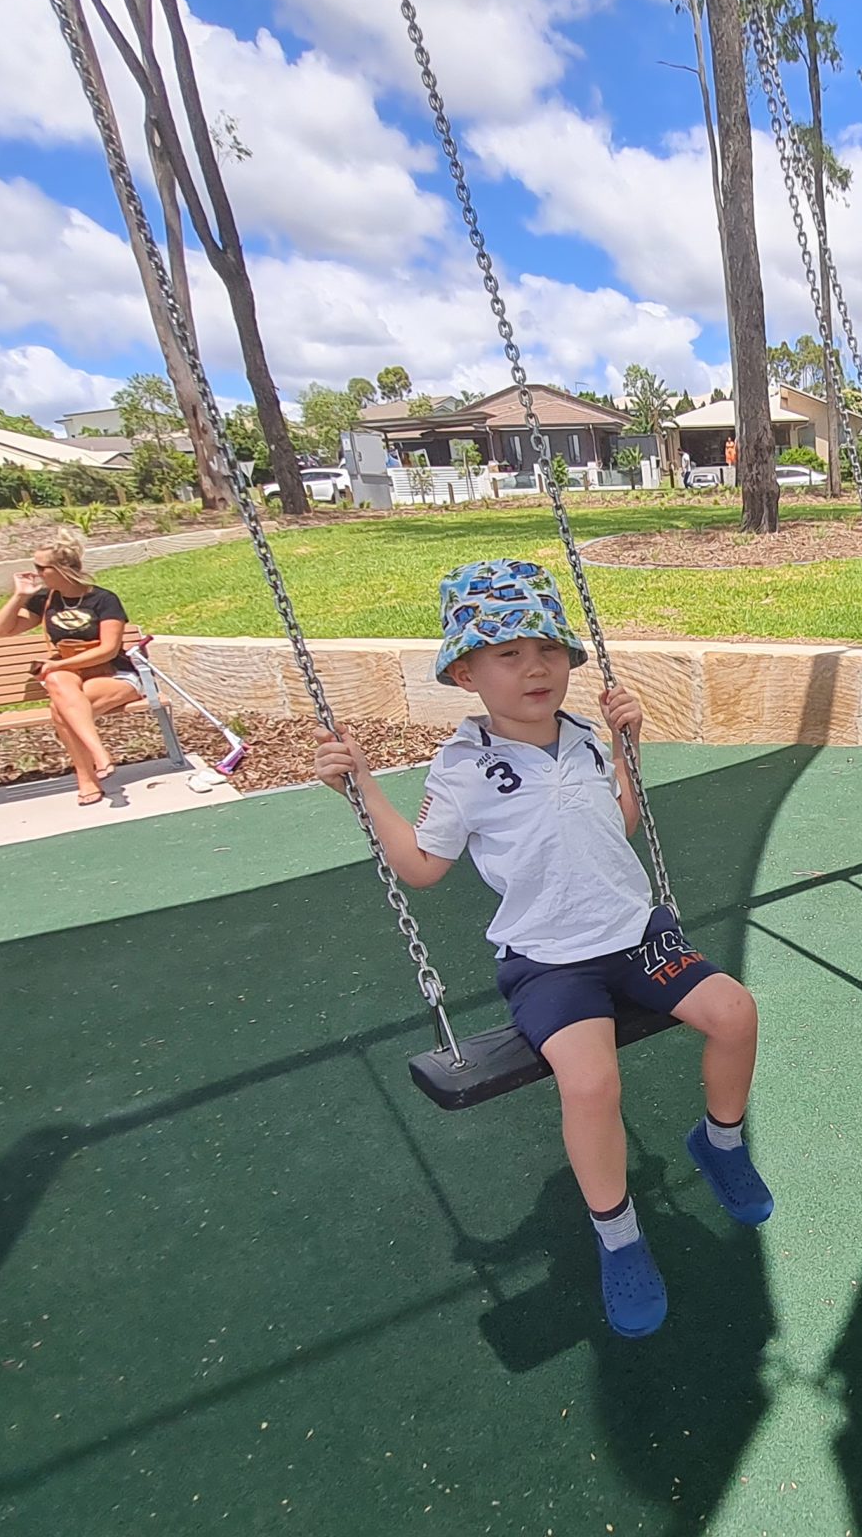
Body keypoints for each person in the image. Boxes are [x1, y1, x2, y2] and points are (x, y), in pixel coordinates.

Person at [314, 559, 770, 1339]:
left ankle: (719, 1141)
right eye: (508, 654)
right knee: (591, 1085)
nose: (535, 668)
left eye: (549, 651)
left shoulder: (587, 738)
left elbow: (617, 825)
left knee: (734, 1011)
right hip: (549, 960)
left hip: (635, 936)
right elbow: (423, 867)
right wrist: (363, 791)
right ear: (465, 673)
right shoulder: (461, 771)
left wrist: (628, 749)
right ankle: (618, 1236)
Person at [0, 528, 141, 805]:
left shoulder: (103, 600)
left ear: (61, 570)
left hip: (113, 673)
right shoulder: (45, 600)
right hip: (71, 678)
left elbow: (107, 649)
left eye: (40, 567)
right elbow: (0, 629)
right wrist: (20, 596)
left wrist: (60, 662)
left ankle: (87, 778)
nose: (35, 572)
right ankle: (100, 755)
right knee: (59, 683)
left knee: (62, 709)